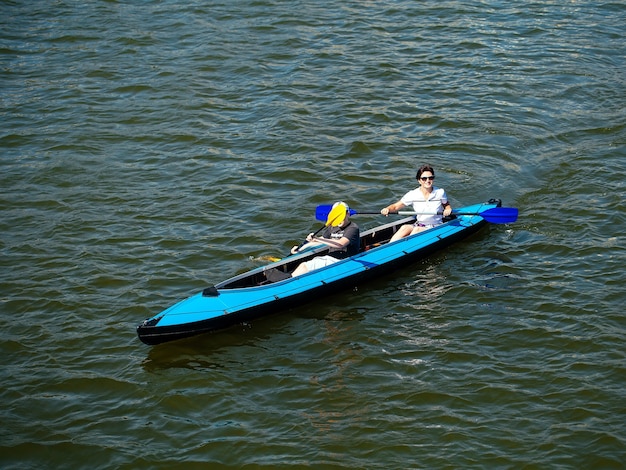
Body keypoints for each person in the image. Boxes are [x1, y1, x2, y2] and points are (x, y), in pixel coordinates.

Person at [381, 164, 452, 242]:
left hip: (436, 226)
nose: (428, 181)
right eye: (424, 178)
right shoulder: (413, 194)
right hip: (419, 224)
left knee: (417, 230)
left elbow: (446, 204)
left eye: (430, 178)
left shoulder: (440, 192)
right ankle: (389, 248)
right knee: (404, 228)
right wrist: (387, 209)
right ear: (419, 180)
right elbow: (395, 207)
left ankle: (405, 248)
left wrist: (448, 209)